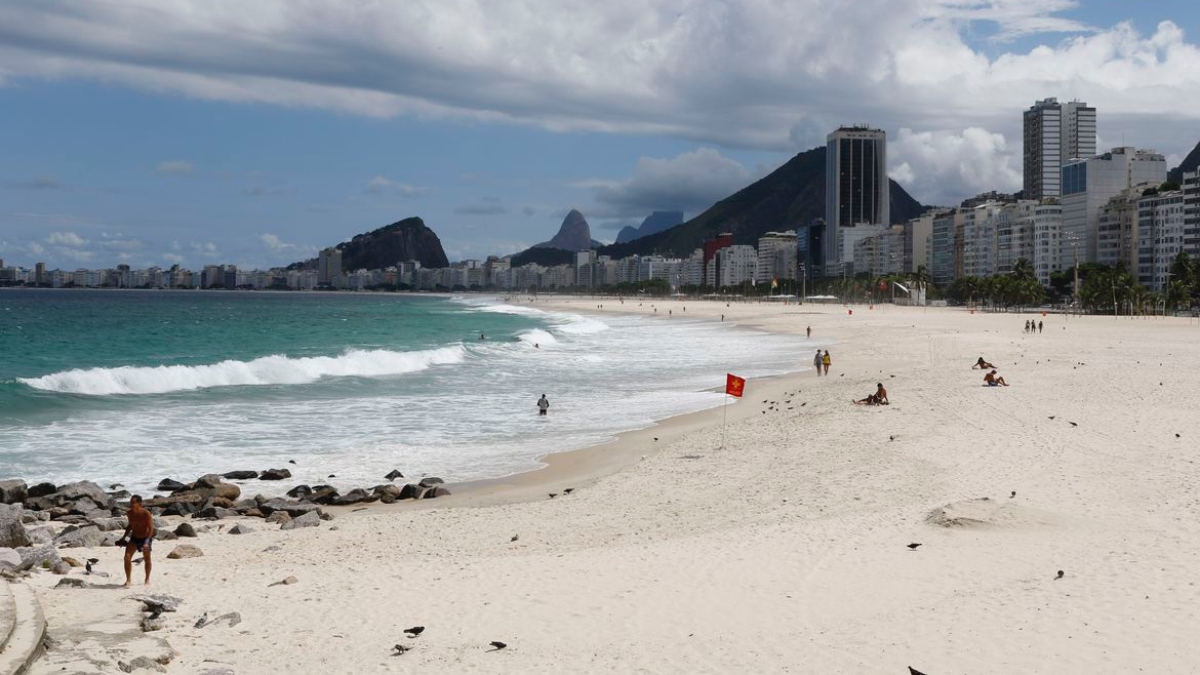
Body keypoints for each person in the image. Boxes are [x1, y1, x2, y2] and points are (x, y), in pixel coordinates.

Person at [120, 495, 155, 587]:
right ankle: (128, 580)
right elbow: (130, 525)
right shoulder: (129, 513)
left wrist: (147, 542)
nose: (131, 504)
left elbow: (151, 529)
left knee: (147, 559)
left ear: (140, 504)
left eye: (133, 503)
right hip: (134, 537)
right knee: (127, 558)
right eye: (130, 502)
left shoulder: (146, 514)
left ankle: (147, 579)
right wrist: (123, 537)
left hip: (145, 538)